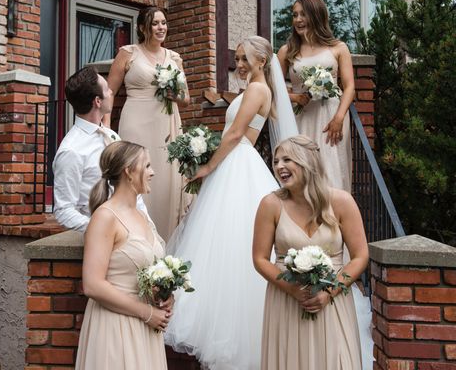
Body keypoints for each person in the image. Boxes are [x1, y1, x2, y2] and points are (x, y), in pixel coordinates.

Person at [165, 36, 296, 370]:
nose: (237, 65)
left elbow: (236, 135)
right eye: (236, 58)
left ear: (262, 62)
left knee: (230, 244)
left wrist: (208, 164)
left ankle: (233, 338)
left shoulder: (257, 90)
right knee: (220, 244)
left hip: (238, 166)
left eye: (243, 59)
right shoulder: (252, 88)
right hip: (236, 164)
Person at [253, 135, 369, 370]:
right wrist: (293, 290)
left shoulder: (341, 202)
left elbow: (360, 256)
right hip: (286, 300)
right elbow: (260, 259)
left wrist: (329, 291)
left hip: (333, 300)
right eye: (276, 161)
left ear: (307, 161)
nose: (279, 167)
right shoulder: (270, 204)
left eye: (287, 159)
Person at [75, 141, 171, 370]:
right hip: (115, 327)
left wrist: (166, 295)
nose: (152, 172)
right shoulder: (105, 217)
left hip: (146, 329)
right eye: (147, 166)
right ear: (129, 171)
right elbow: (92, 285)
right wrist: (146, 313)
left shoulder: (143, 217)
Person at [106, 6, 190, 241]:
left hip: (167, 126)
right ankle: (133, 238)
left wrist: (173, 93)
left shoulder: (174, 58)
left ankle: (164, 242)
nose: (161, 28)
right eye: (155, 23)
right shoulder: (128, 53)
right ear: (143, 28)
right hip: (137, 124)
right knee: (134, 176)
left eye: (163, 23)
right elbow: (109, 92)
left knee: (164, 184)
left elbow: (186, 98)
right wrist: (104, 129)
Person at [52, 66, 147, 231]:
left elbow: (130, 186)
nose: (111, 92)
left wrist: (147, 224)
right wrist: (104, 229)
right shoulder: (71, 151)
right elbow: (64, 210)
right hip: (103, 240)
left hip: (133, 229)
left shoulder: (112, 137)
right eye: (107, 89)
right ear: (97, 101)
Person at [277, 0, 355, 192]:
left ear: (316, 15)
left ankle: (334, 219)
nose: (298, 20)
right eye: (295, 15)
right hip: (300, 118)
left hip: (330, 117)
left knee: (331, 170)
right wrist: (295, 97)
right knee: (302, 170)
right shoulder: (287, 51)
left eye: (303, 14)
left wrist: (339, 118)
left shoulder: (338, 48)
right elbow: (272, 87)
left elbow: (349, 87)